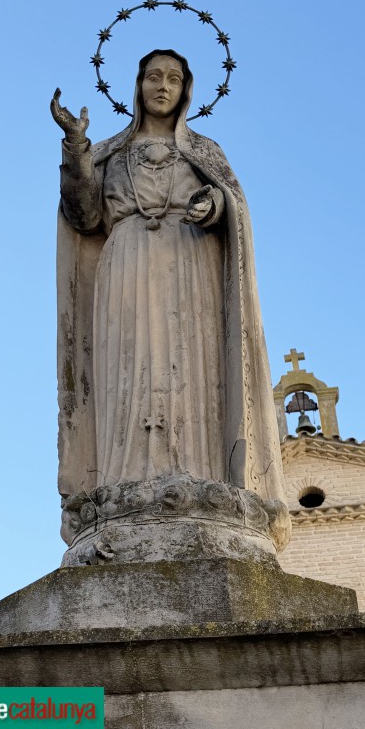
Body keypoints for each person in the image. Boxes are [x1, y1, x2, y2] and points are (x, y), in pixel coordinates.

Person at [51, 49, 286, 512]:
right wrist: (77, 149)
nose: (162, 86)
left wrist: (215, 206)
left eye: (173, 79)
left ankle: (198, 475)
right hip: (126, 267)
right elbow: (84, 214)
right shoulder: (110, 155)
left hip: (190, 264)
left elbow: (233, 208)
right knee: (128, 368)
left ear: (186, 91)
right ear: (137, 87)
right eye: (153, 77)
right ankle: (124, 481)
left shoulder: (204, 152)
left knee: (190, 366)